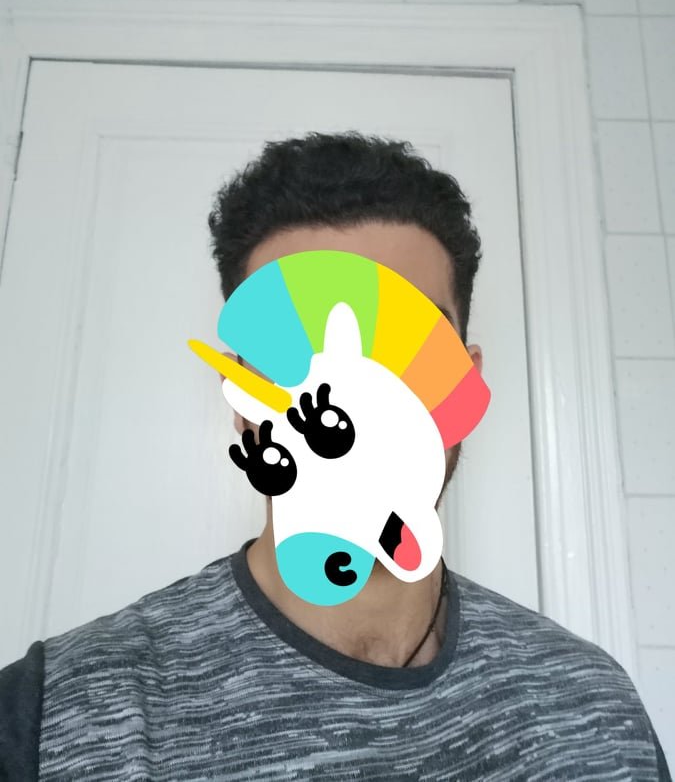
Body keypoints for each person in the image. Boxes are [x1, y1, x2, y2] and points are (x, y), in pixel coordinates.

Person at [0, 131, 670, 781]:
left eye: (406, 350)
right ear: (244, 399)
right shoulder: (57, 712)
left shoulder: (592, 705)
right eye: (297, 352)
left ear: (465, 385)